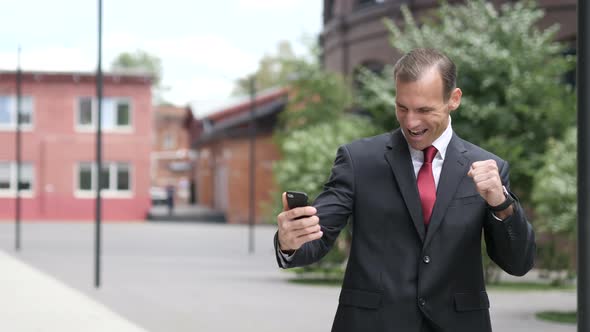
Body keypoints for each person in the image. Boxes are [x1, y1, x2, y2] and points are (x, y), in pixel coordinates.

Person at [274, 48, 535, 332]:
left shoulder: (490, 168)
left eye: (424, 110)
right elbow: (317, 236)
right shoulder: (358, 160)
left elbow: (518, 263)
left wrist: (502, 204)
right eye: (402, 107)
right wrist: (290, 240)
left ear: (454, 100)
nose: (411, 122)